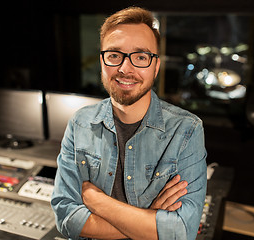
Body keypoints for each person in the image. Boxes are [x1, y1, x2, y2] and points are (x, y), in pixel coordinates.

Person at [51, 6, 207, 240]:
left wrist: (96, 200)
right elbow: (66, 218)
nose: (126, 68)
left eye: (141, 57)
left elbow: (181, 232)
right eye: (114, 55)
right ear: (102, 62)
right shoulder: (80, 122)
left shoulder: (187, 129)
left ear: (156, 67)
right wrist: (149, 219)